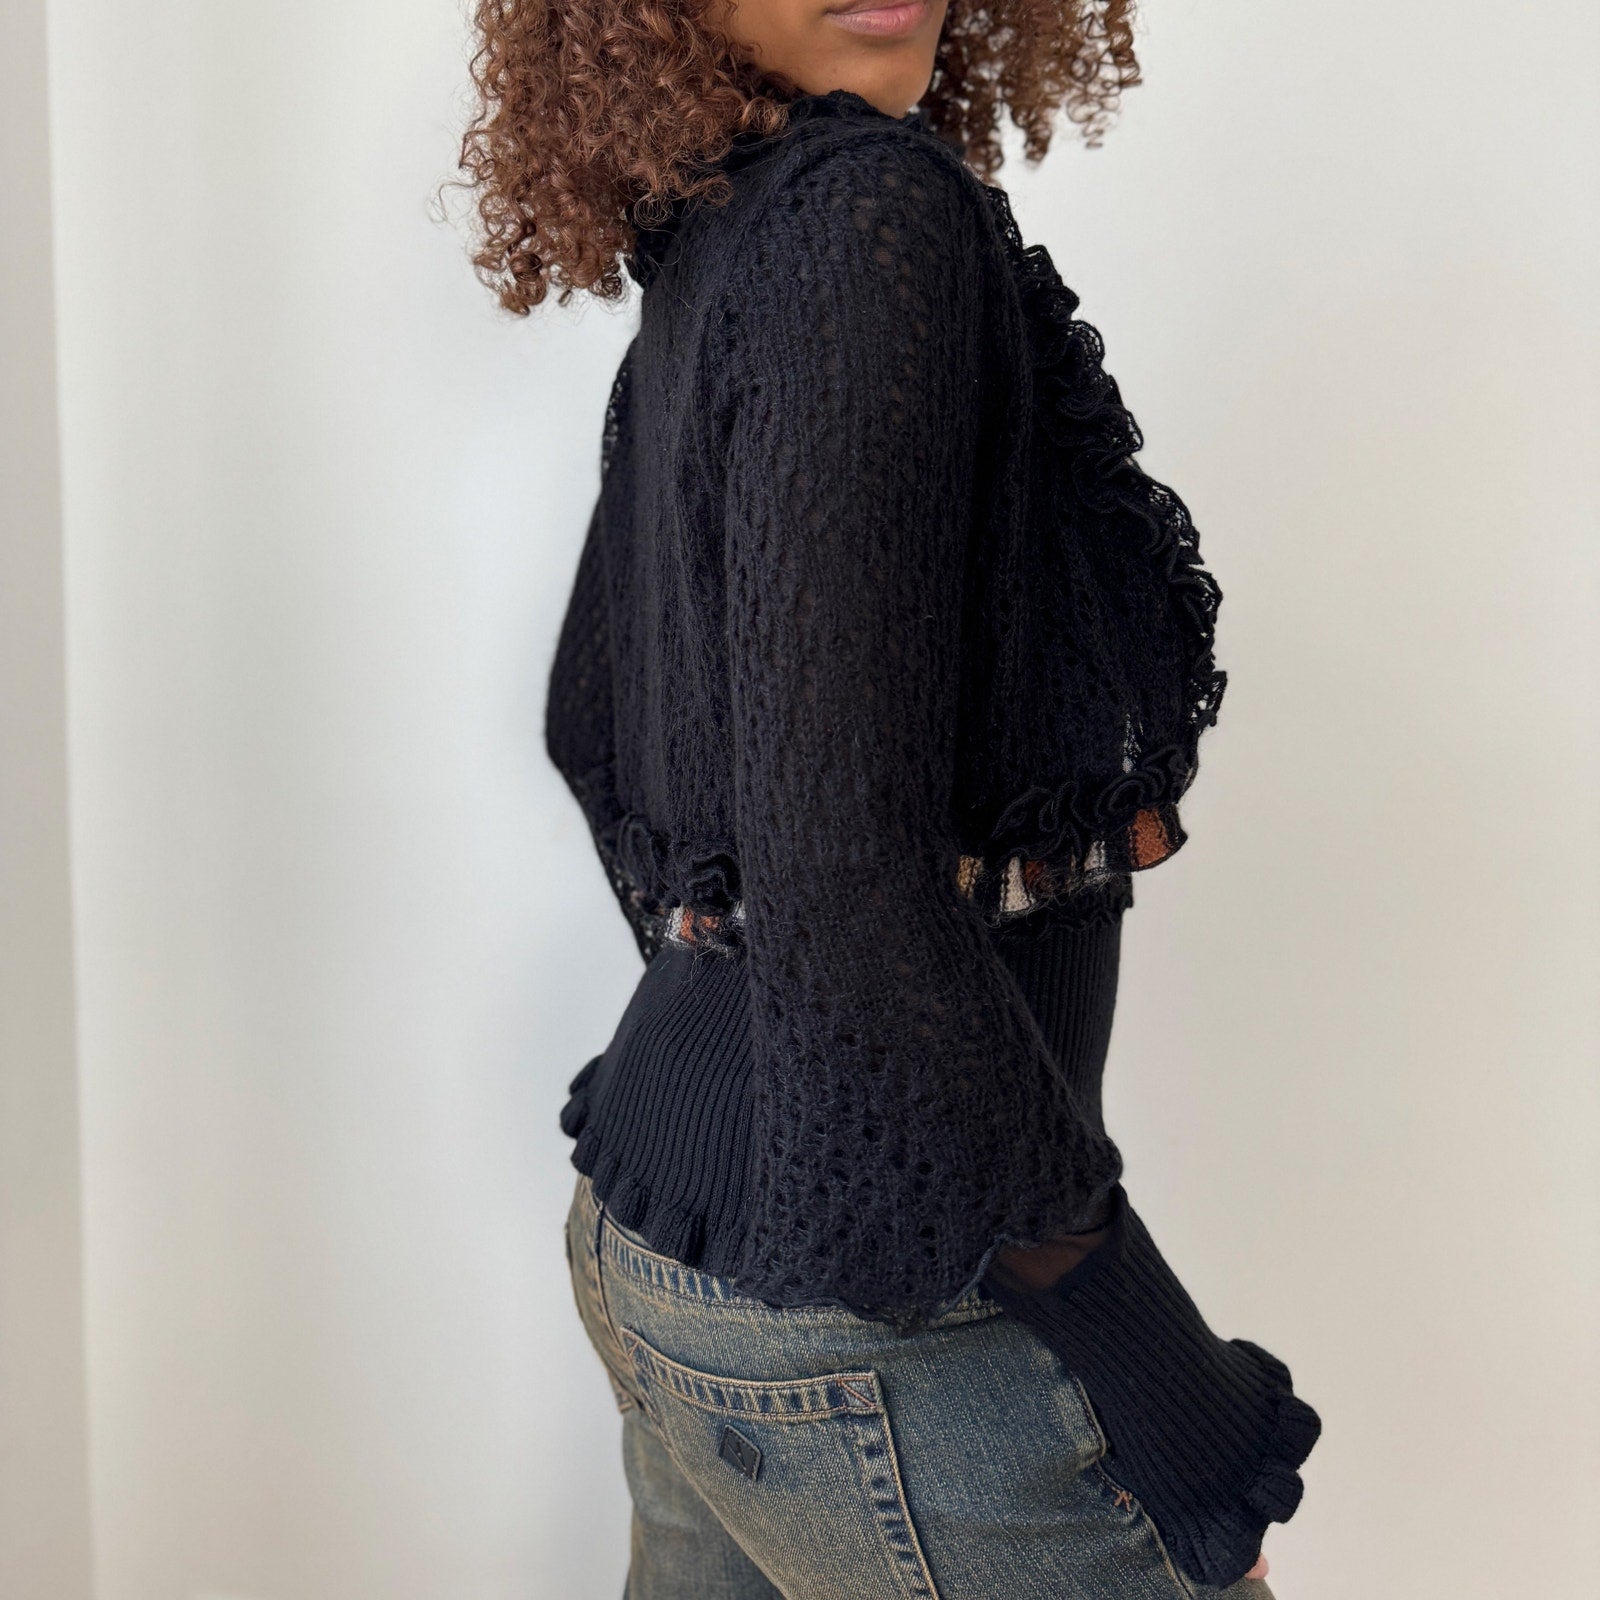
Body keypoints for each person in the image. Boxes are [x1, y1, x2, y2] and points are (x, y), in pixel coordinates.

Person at [458, 1, 1321, 1594]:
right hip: (876, 1320)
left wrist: (737, 1010)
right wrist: (1150, 1358)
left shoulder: (726, 221)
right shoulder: (867, 212)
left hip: (659, 1241)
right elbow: (846, 890)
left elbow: (591, 725)